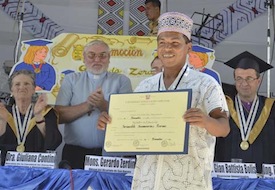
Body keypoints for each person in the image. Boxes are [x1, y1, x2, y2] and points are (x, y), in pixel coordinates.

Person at [97, 12, 230, 190]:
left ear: (188, 47)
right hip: (146, 181)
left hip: (189, 182)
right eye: (162, 43)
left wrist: (206, 121)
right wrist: (112, 124)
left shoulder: (206, 84)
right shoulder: (146, 86)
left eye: (175, 44)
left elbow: (224, 128)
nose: (167, 49)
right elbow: (133, 129)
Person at [55, 40, 133, 169]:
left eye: (103, 55)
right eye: (91, 55)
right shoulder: (71, 80)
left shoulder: (121, 81)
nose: (97, 59)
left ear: (109, 59)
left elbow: (129, 118)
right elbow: (59, 116)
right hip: (74, 154)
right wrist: (87, 105)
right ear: (84, 58)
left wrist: (103, 105)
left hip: (110, 155)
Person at [215, 51, 275, 173]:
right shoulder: (222, 107)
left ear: (258, 81)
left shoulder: (271, 108)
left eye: (249, 78)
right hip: (228, 177)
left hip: (264, 179)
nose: (244, 83)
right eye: (239, 79)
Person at [0, 70, 62, 165]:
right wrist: (3, 121)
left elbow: (53, 143)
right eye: (17, 84)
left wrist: (38, 116)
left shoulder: (46, 112)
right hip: (7, 170)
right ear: (11, 90)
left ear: (34, 89)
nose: (22, 87)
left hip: (37, 169)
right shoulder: (3, 112)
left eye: (26, 84)